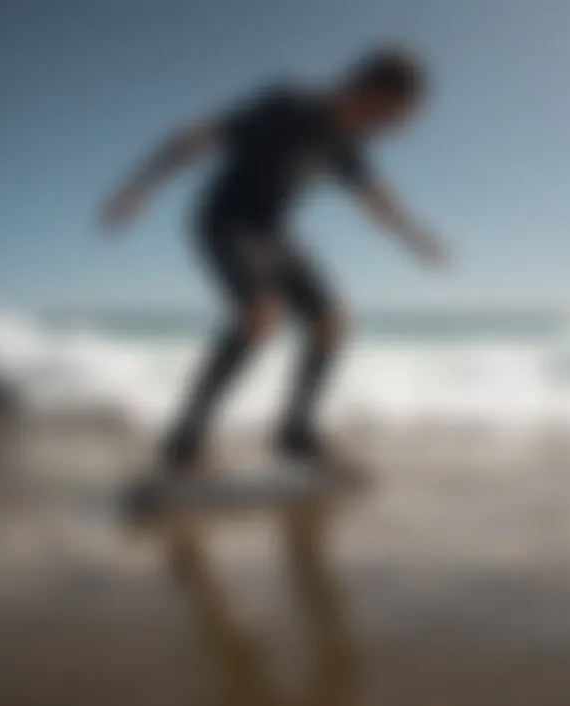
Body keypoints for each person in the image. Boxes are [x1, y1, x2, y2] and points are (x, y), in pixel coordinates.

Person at [101, 44, 450, 474]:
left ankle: (295, 435)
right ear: (370, 90)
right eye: (395, 113)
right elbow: (198, 135)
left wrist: (417, 239)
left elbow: (376, 199)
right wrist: (139, 186)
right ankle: (185, 441)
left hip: (272, 232)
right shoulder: (288, 105)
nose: (393, 126)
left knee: (331, 322)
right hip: (227, 220)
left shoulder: (345, 145)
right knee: (261, 314)